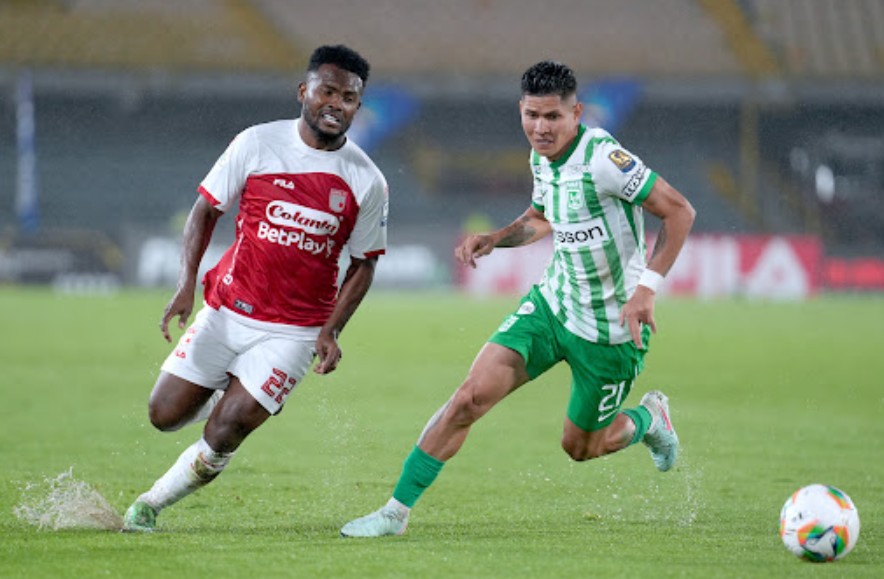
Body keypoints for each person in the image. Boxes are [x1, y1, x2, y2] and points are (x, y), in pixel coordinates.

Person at [340, 60, 695, 537]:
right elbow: (541, 218)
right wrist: (496, 238)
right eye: (532, 115)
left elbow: (679, 211)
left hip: (611, 328)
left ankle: (649, 419)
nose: (540, 128)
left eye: (552, 117)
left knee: (582, 447)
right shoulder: (540, 157)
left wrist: (647, 289)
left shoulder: (604, 160)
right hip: (553, 306)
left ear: (576, 114)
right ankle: (394, 513)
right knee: (468, 398)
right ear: (521, 111)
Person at [122, 44, 389, 532]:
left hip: (295, 331)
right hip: (227, 310)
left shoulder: (367, 180)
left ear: (357, 106)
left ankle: (150, 505)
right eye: (327, 91)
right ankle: (231, 386)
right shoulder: (256, 143)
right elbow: (205, 210)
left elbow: (364, 264)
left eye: (349, 98)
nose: (336, 104)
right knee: (164, 415)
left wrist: (331, 331)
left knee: (228, 428)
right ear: (303, 91)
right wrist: (186, 286)